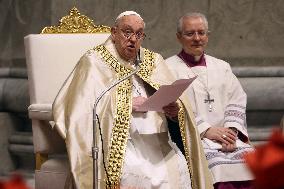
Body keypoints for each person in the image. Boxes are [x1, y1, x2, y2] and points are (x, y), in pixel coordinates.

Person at [52, 11, 213, 189]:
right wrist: (127, 103)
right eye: (127, 32)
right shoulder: (94, 61)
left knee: (176, 169)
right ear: (114, 33)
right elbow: (80, 108)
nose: (133, 39)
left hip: (157, 140)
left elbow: (179, 106)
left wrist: (174, 113)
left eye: (138, 34)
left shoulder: (153, 60)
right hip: (120, 142)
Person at [166, 12, 254, 189]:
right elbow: (174, 107)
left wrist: (230, 132)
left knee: (254, 165)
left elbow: (236, 99)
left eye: (202, 32)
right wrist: (206, 130)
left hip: (228, 137)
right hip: (194, 139)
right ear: (178, 37)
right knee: (217, 168)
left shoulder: (222, 67)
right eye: (190, 33)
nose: (197, 38)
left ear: (208, 35)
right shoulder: (168, 68)